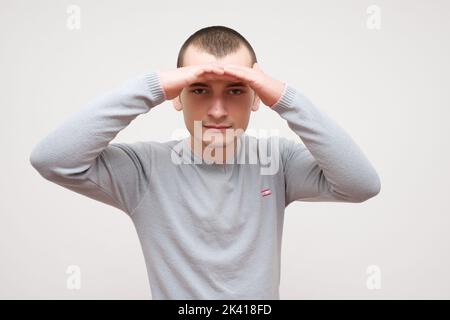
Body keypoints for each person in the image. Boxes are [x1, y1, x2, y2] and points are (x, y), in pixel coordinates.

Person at [29, 25, 381, 299]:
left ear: (256, 97)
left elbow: (361, 185)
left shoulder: (278, 162)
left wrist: (284, 97)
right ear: (176, 96)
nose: (217, 110)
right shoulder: (143, 169)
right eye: (199, 89)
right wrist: (153, 86)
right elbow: (52, 160)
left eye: (235, 90)